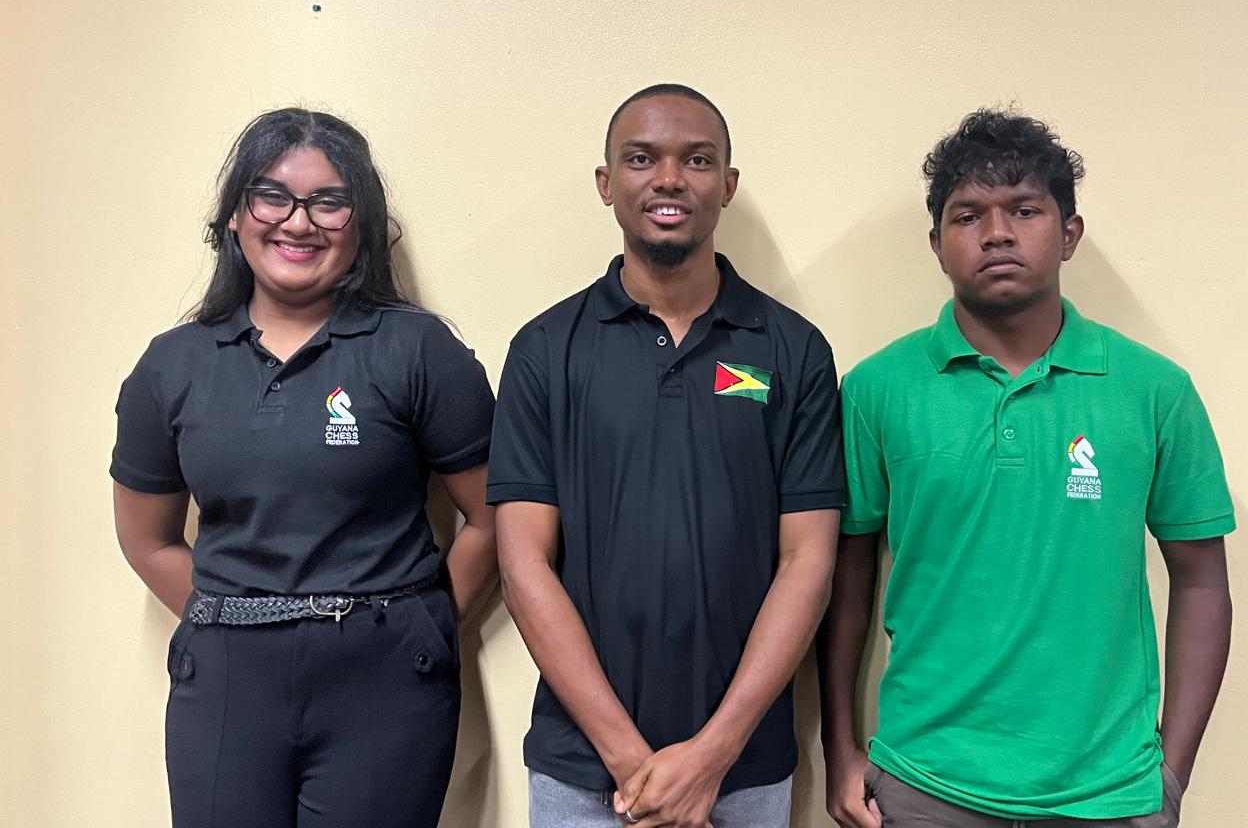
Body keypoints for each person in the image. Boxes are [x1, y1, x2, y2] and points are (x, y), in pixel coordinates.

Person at [819, 108, 1234, 828]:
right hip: (923, 787)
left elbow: (1201, 581)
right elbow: (845, 580)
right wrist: (841, 748)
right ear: (937, 245)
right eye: (968, 215)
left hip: (1109, 795)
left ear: (1069, 233)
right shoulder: (875, 390)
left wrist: (1171, 776)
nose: (997, 233)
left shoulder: (1154, 390)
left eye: (1024, 209)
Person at [111, 108, 497, 828]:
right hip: (226, 682)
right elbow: (146, 539)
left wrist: (426, 625)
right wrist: (243, 616)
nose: (298, 222)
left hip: (386, 678)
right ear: (235, 216)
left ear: (361, 223)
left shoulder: (418, 351)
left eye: (329, 201)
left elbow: (493, 516)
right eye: (272, 196)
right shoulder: (172, 366)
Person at [488, 83, 844, 828]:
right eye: (642, 158)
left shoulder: (794, 350)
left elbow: (808, 561)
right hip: (584, 770)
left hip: (743, 770)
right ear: (606, 182)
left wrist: (710, 756)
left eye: (698, 160)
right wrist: (633, 764)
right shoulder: (545, 350)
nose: (671, 179)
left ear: (729, 185)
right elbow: (523, 564)